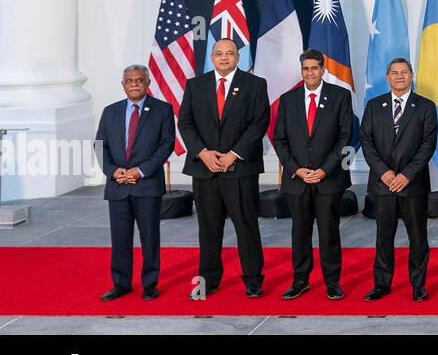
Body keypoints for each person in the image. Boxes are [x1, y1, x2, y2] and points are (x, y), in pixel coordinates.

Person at [177, 38, 270, 298]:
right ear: (212, 57)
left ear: (238, 57)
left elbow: (259, 122)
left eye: (230, 53)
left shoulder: (255, 85)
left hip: (240, 170)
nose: (225, 58)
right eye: (219, 54)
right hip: (204, 169)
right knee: (208, 229)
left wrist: (234, 155)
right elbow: (185, 123)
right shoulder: (195, 85)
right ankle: (207, 281)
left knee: (246, 227)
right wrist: (202, 153)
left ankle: (253, 280)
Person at [271, 49, 353, 301]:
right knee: (300, 233)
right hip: (298, 180)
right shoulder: (288, 99)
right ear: (301, 71)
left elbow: (345, 138)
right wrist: (296, 169)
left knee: (329, 233)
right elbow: (280, 140)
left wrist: (324, 170)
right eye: (305, 69)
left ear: (322, 69)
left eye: (314, 68)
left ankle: (332, 282)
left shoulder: (340, 97)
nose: (310, 73)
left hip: (328, 179)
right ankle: (300, 281)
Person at [95, 65, 176, 301]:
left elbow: (166, 145)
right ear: (123, 84)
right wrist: (113, 171)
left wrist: (141, 171)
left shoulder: (162, 110)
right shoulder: (110, 112)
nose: (134, 84)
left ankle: (150, 284)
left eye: (140, 80)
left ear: (148, 83)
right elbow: (100, 146)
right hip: (118, 185)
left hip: (147, 185)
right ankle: (121, 283)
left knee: (149, 237)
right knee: (120, 238)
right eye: (129, 80)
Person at [359, 57, 437, 302]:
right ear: (387, 77)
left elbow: (427, 145)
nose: (399, 76)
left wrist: (406, 175)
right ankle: (381, 284)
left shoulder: (425, 106)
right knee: (384, 237)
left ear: (411, 75)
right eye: (394, 72)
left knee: (418, 237)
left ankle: (418, 285)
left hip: (413, 185)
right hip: (383, 185)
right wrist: (384, 172)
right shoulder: (373, 106)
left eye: (404, 72)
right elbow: (367, 141)